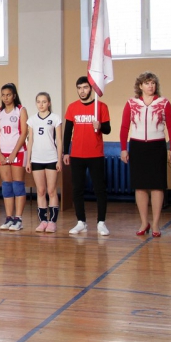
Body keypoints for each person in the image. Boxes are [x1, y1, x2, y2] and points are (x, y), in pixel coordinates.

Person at [120, 72, 171, 238]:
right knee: (140, 186)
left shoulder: (164, 103)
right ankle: (144, 222)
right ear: (140, 86)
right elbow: (124, 127)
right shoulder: (131, 103)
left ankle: (156, 223)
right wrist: (123, 148)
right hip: (137, 146)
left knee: (157, 185)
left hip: (157, 146)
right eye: (147, 83)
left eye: (153, 83)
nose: (150, 86)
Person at [63, 76, 111, 235]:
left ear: (91, 89)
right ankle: (81, 222)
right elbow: (67, 131)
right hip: (77, 154)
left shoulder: (101, 106)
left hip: (95, 154)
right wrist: (65, 152)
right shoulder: (72, 107)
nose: (82, 91)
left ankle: (101, 222)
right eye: (79, 88)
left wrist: (100, 125)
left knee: (99, 189)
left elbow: (108, 129)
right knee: (77, 189)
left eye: (85, 87)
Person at [0, 83, 28, 231]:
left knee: (17, 185)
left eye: (8, 95)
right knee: (6, 185)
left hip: (18, 152)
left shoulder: (20, 110)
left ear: (14, 95)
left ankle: (18, 219)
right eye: (3, 95)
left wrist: (14, 153)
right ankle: (9, 218)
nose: (6, 97)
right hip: (3, 153)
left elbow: (24, 132)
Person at [26, 92, 63, 233]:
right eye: (38, 102)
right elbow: (30, 141)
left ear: (49, 103)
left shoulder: (55, 118)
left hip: (51, 158)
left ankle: (52, 221)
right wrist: (28, 160)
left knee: (51, 190)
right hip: (36, 159)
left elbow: (59, 140)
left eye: (44, 102)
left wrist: (59, 160)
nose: (41, 104)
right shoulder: (32, 120)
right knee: (40, 191)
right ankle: (43, 220)